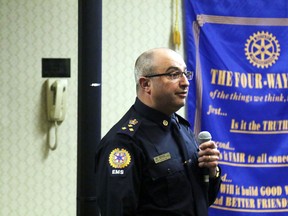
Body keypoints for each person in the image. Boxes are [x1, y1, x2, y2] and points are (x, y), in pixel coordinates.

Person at [95, 47, 221, 216]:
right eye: (173, 74)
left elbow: (200, 201)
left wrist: (211, 172)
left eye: (185, 73)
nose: (185, 82)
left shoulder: (181, 128)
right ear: (146, 84)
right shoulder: (124, 143)